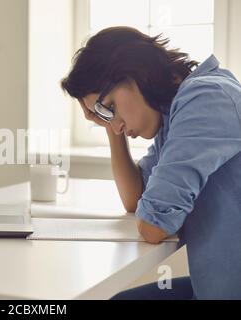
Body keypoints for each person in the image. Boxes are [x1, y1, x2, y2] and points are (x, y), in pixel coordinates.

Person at [61, 26, 241, 300]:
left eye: (109, 106)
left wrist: (155, 210)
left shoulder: (206, 99)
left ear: (136, 74)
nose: (115, 122)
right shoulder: (174, 114)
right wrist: (112, 126)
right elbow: (136, 200)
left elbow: (154, 225)